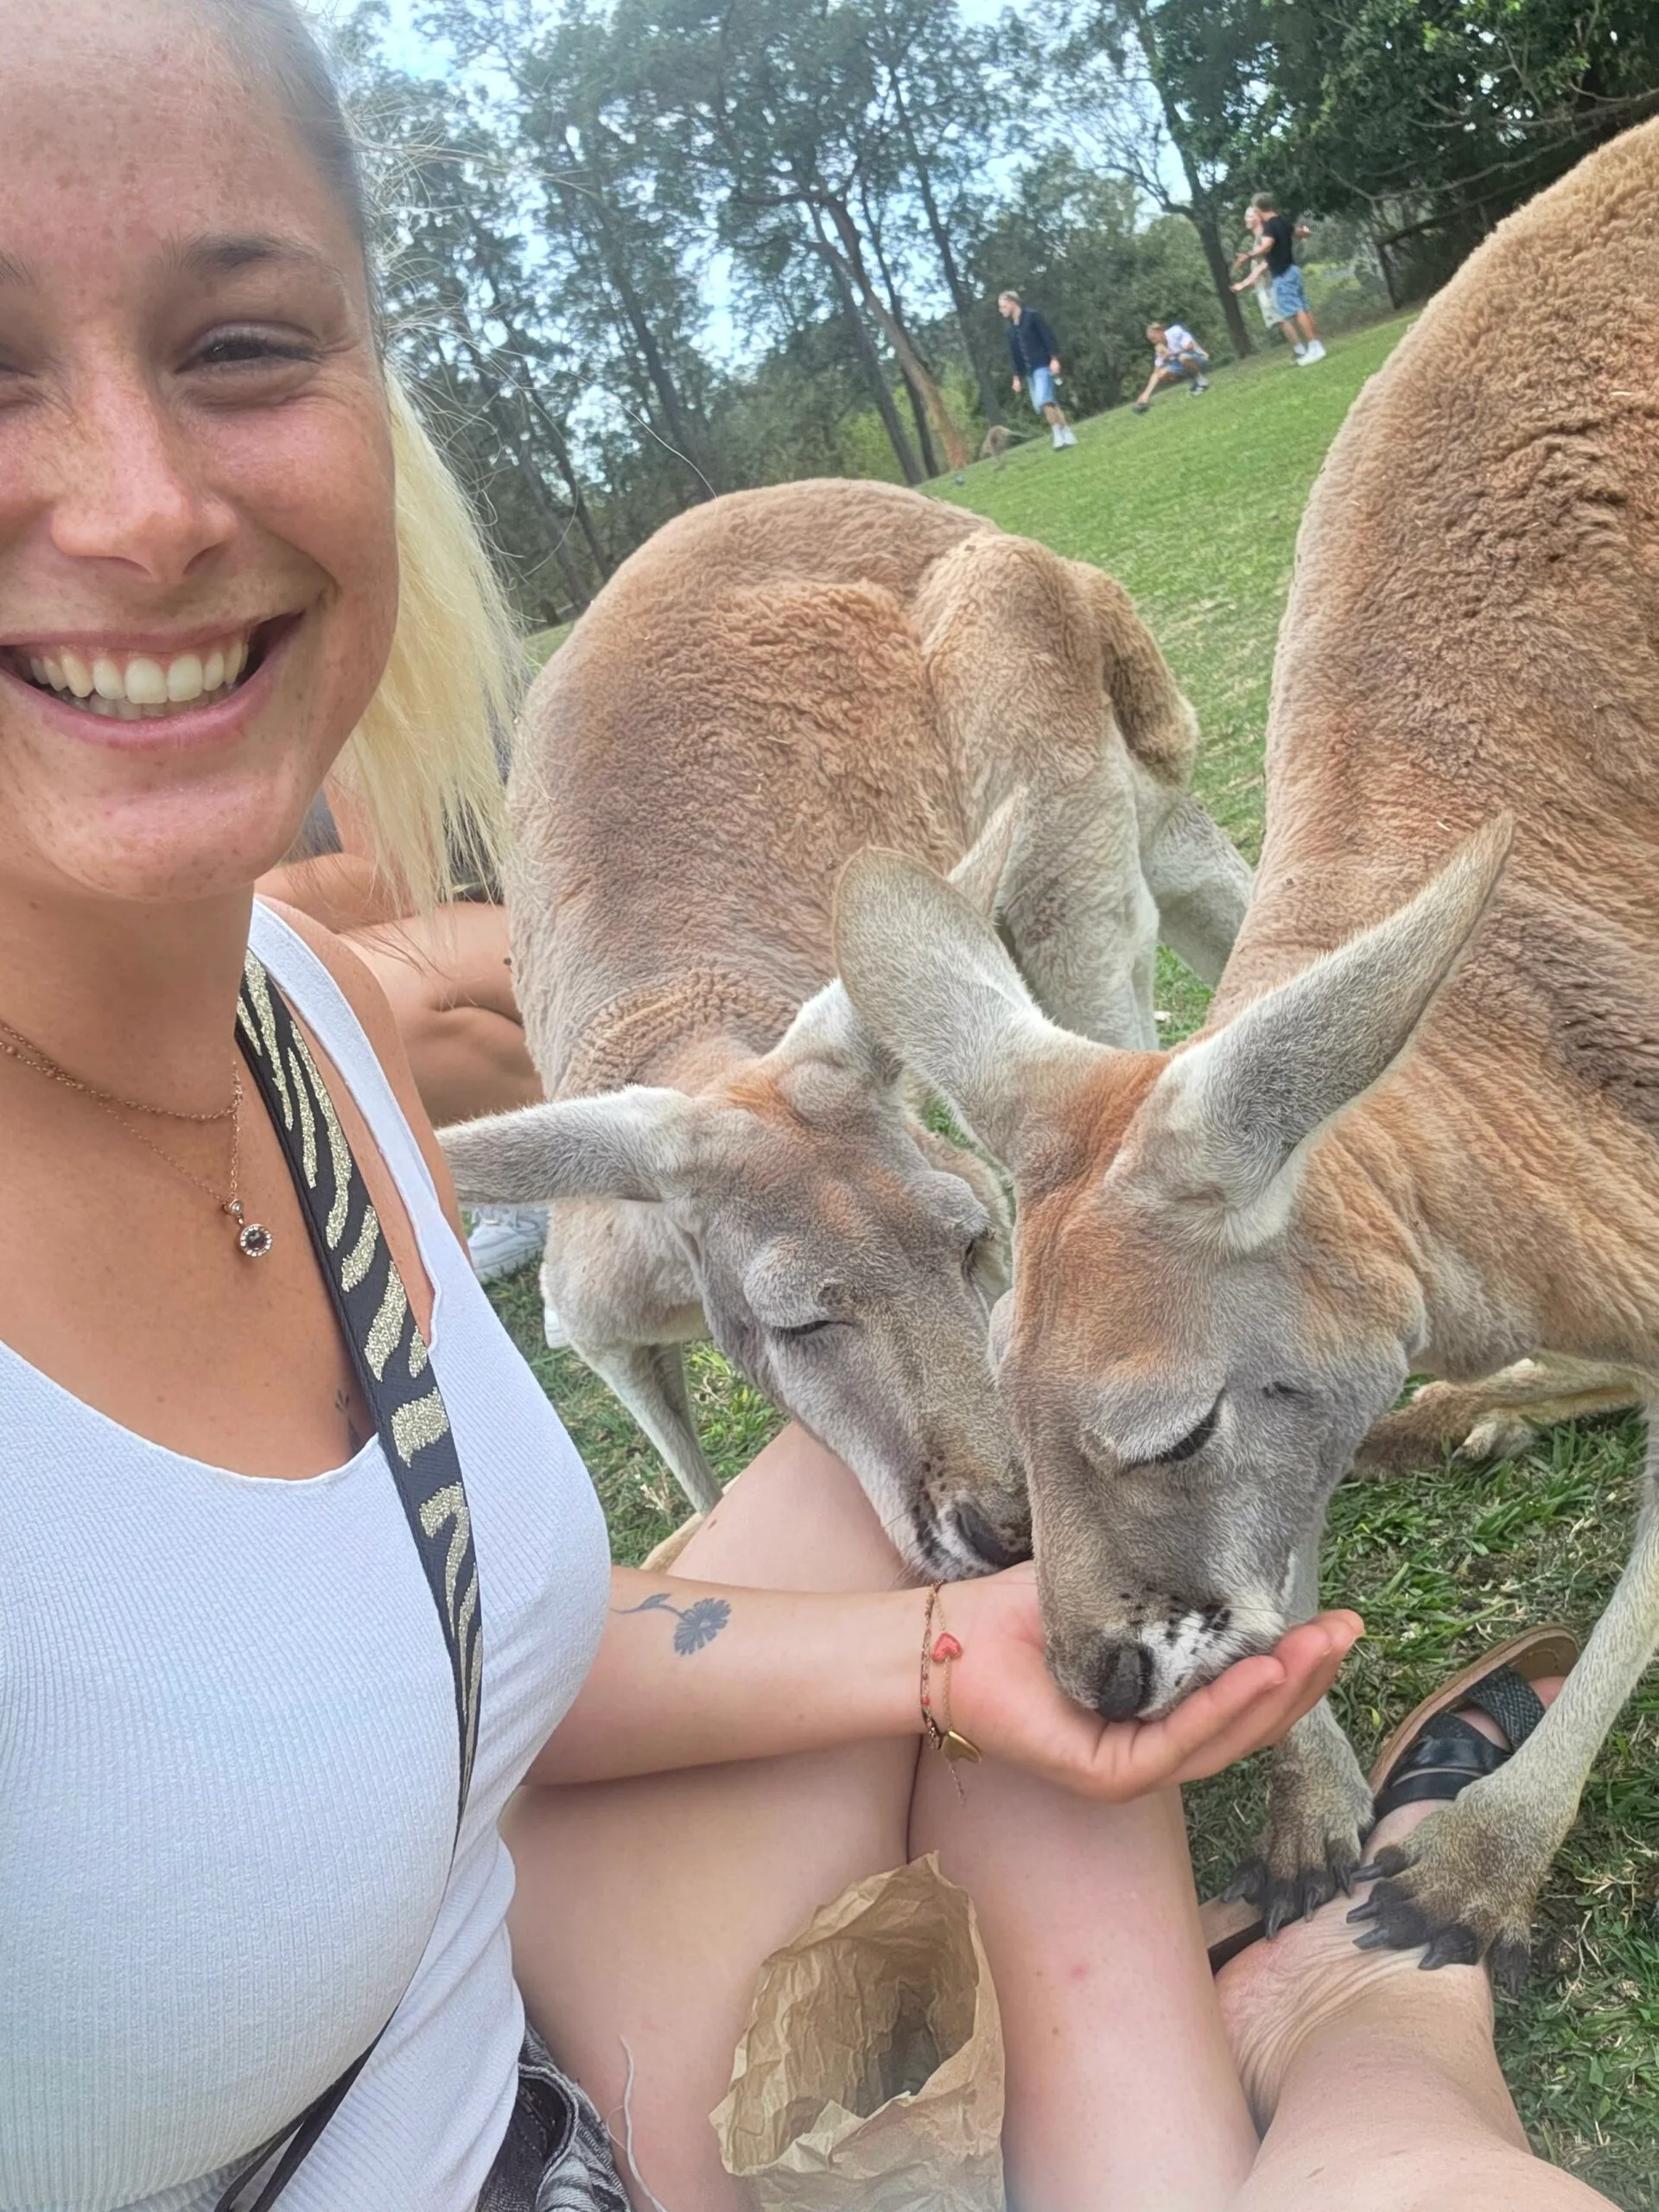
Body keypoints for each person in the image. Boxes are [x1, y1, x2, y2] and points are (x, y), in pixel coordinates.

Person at [0, 8, 1624, 2212]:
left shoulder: (293, 1028)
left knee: (997, 1480)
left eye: (243, 344)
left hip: (482, 2007)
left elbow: (451, 1636)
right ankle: (1369, 2026)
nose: (142, 504)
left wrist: (958, 1648)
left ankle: (1343, 2008)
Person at [259, 780, 549, 1281]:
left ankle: (598, 1179)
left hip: (584, 911)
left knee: (342, 999)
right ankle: (527, 1175)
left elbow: (390, 877)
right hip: (466, 920)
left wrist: (176, 928)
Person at [1248, 192, 1326, 362]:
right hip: (1293, 270)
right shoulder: (1282, 220)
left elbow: (1267, 245)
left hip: (1283, 274)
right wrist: (1306, 233)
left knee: (1297, 311)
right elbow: (1297, 232)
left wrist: (1250, 256)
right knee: (1304, 309)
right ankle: (1318, 345)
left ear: (1258, 208)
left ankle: (1314, 348)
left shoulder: (1269, 226)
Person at [997, 289, 1077, 449]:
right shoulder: (1011, 331)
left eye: (1003, 306)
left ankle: (1057, 436)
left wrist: (1054, 359)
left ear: (1013, 303)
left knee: (1044, 400)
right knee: (1049, 403)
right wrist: (1016, 377)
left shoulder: (1032, 317)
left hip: (1043, 365)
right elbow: (1014, 355)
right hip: (1029, 372)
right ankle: (1067, 433)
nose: (1001, 310)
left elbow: (1048, 337)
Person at [1233, 206, 1291, 340]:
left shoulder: (1262, 237)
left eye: (1249, 216)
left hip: (1271, 284)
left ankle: (1301, 349)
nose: (1245, 219)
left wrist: (1244, 283)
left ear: (1257, 217)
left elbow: (1266, 263)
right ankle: (1300, 349)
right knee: (1281, 320)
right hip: (1266, 286)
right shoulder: (1258, 239)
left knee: (1283, 319)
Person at [1132, 320, 1212, 411]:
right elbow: (1156, 373)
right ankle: (1194, 382)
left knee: (1183, 357)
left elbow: (1190, 347)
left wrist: (1171, 354)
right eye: (1151, 340)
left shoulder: (1175, 331)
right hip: (1184, 364)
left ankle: (1202, 382)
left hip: (1199, 358)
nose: (1154, 342)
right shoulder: (1160, 348)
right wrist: (1146, 394)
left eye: (1154, 338)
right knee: (1162, 374)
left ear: (1160, 332)